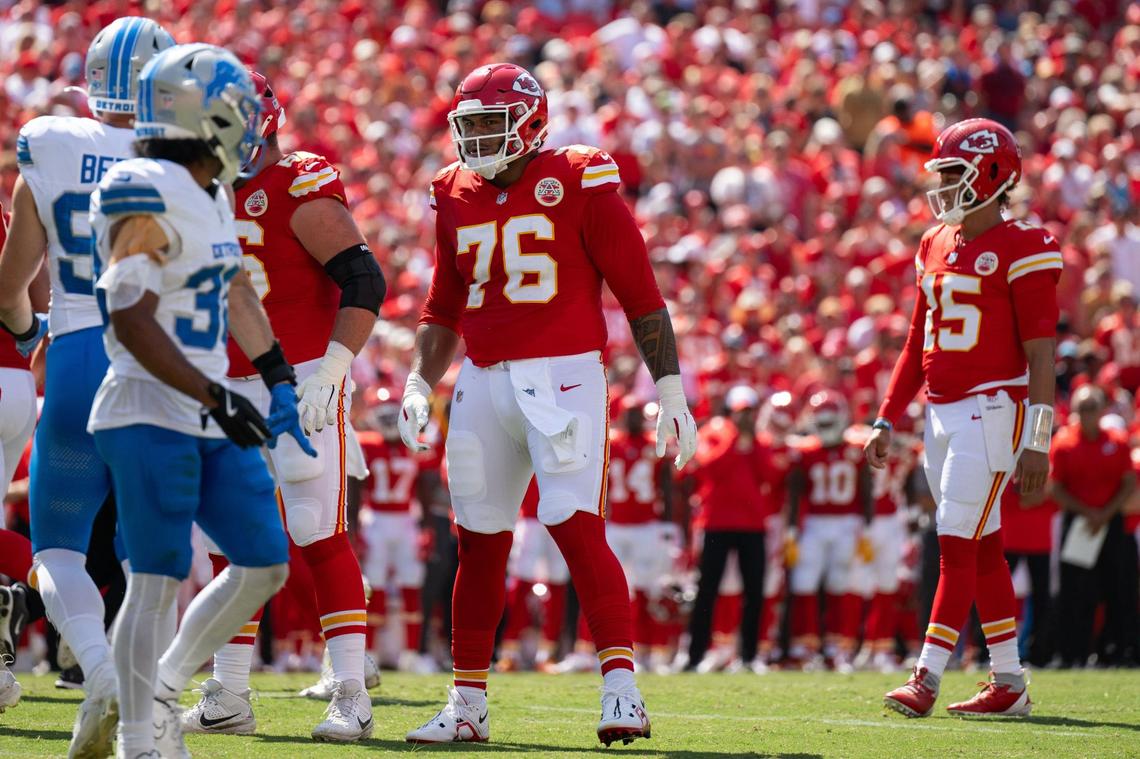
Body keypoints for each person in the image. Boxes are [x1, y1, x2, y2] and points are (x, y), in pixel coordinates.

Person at [398, 62, 696, 746]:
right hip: (479, 378)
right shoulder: (453, 190)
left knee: (571, 521)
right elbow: (443, 305)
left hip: (564, 378)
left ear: (531, 121)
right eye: (467, 124)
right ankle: (467, 703)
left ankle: (622, 690)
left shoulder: (580, 175)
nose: (475, 137)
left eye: (488, 123)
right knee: (477, 538)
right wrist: (420, 380)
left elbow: (640, 291)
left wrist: (669, 385)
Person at [87, 44, 309, 758]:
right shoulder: (141, 182)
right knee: (155, 580)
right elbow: (129, 312)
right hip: (148, 406)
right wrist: (216, 392)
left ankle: (161, 686)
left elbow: (236, 288)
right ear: (207, 112)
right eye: (240, 110)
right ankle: (136, 737)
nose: (250, 124)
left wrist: (276, 374)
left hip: (208, 407)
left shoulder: (211, 190)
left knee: (265, 561)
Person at [181, 69, 385, 743]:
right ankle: (229, 694)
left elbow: (363, 277)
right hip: (225, 380)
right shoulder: (195, 189)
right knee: (226, 539)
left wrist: (334, 365)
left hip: (300, 378)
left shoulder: (298, 184)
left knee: (312, 526)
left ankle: (351, 690)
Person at [0, 17, 174, 757]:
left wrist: (27, 326)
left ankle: (98, 668)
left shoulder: (51, 141)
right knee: (152, 554)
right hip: (158, 364)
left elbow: (13, 281)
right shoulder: (188, 158)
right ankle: (150, 708)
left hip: (73, 354)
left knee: (58, 548)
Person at [866, 118, 1061, 718]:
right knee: (982, 547)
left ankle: (925, 679)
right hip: (942, 414)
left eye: (956, 173)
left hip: (994, 408)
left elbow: (1041, 355)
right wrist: (885, 416)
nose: (945, 185)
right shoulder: (934, 243)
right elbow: (913, 343)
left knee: (953, 544)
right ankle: (1009, 682)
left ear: (993, 175)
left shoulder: (1025, 245)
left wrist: (1038, 440)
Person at [1050, 384, 1138, 667]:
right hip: (1080, 523)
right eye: (1082, 409)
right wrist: (1089, 512)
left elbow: (1127, 482)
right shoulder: (1064, 443)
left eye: (1092, 408)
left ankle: (1118, 651)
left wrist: (1106, 513)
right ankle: (1072, 653)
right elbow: (1055, 487)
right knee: (1076, 591)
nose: (1088, 414)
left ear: (1102, 410)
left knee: (1119, 589)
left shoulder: (1117, 440)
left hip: (1111, 523)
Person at [785, 391, 871, 672]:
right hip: (815, 523)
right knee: (804, 583)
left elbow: (865, 490)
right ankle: (805, 646)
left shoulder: (855, 448)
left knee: (839, 585)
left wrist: (866, 526)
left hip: (846, 522)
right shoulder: (806, 451)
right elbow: (796, 492)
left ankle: (838, 647)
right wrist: (792, 529)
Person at [684, 386, 768, 673]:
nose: (746, 418)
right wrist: (735, 440)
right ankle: (695, 654)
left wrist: (752, 442)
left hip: (752, 523)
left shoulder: (758, 439)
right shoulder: (715, 432)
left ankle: (749, 655)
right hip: (717, 521)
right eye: (742, 412)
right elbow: (709, 468)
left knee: (754, 591)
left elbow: (768, 474)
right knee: (707, 590)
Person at [356, 400, 434, 674]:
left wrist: (426, 527)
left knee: (411, 583)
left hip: (403, 520)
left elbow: (425, 487)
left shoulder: (414, 444)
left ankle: (410, 654)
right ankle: (371, 654)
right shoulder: (368, 443)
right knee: (374, 585)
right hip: (378, 519)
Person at [605, 397, 676, 672]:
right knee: (610, 591)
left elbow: (667, 487)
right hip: (618, 525)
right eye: (631, 414)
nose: (635, 419)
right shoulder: (612, 444)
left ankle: (652, 652)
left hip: (647, 526)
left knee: (650, 591)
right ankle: (596, 650)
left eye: (638, 414)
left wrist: (668, 525)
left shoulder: (653, 445)